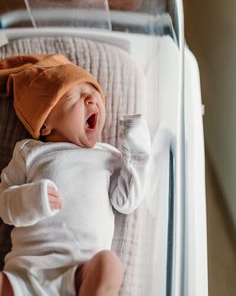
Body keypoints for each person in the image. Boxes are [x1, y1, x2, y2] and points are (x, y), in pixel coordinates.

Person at [0, 54, 151, 296]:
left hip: (79, 274)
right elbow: (4, 204)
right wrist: (31, 199)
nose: (91, 99)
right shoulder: (29, 152)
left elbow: (126, 201)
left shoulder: (108, 155)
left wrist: (136, 149)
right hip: (24, 275)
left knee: (110, 264)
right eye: (76, 96)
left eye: (94, 94)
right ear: (45, 123)